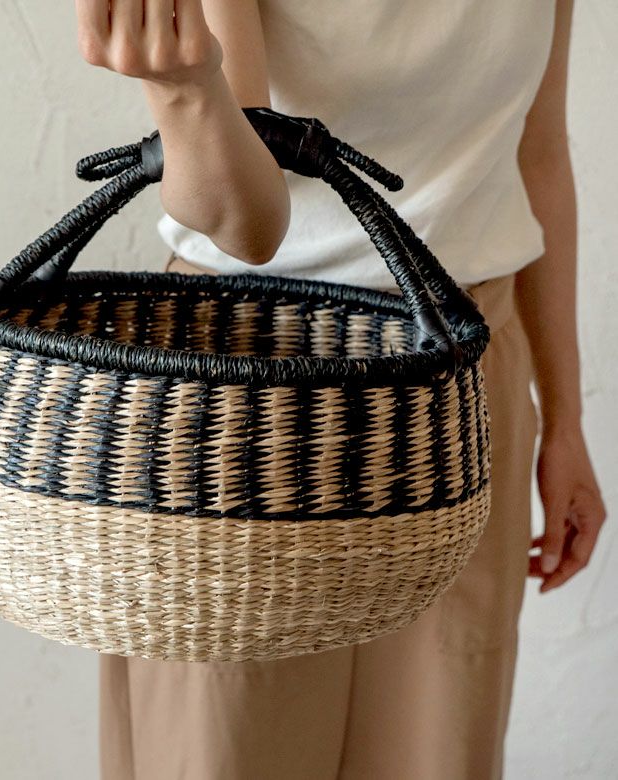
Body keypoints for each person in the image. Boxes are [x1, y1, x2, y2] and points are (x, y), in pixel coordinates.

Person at [74, 1, 608, 777]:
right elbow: (249, 230)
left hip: (461, 391)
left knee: (433, 749)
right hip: (248, 394)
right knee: (226, 748)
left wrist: (564, 421)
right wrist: (187, 94)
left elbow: (538, 153)